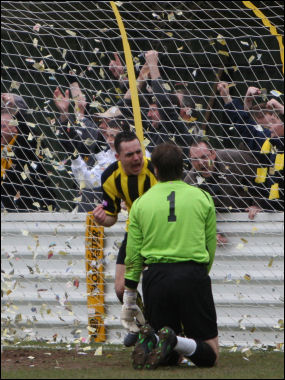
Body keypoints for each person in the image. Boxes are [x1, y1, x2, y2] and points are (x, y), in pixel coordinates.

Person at [121, 142, 218, 370]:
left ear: (154, 169)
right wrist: (201, 274)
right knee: (210, 354)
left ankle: (156, 339)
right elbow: (209, 245)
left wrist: (129, 296)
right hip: (192, 272)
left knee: (170, 359)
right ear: (183, 167)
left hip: (156, 278)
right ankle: (172, 339)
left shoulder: (141, 203)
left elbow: (133, 254)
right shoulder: (202, 197)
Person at [217, 82, 284, 214]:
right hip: (271, 207)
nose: (267, 131)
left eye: (270, 125)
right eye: (264, 128)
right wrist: (227, 97)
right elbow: (245, 125)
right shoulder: (267, 141)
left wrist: (281, 108)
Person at [1, 94, 59, 212]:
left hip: (35, 209)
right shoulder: (3, 147)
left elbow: (26, 130)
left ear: (15, 127)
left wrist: (13, 108)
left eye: (2, 126)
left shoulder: (28, 142)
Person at [184, 139, 262, 221]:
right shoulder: (190, 183)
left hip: (247, 216)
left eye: (204, 157)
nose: (200, 162)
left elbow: (261, 172)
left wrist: (258, 203)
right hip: (218, 222)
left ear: (213, 154)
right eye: (195, 159)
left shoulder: (234, 158)